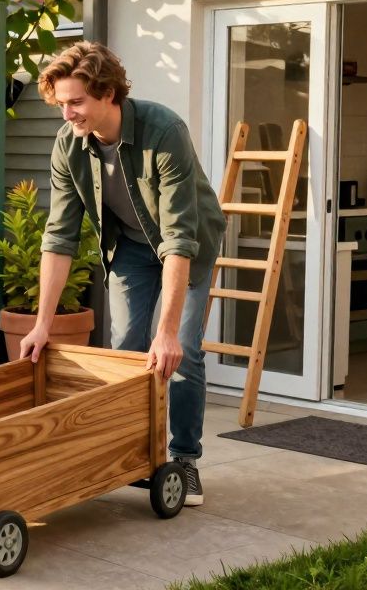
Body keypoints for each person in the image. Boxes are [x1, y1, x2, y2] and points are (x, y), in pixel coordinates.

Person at [18, 41, 225, 507]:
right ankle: (130, 452)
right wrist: (42, 324)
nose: (67, 114)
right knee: (126, 352)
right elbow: (59, 236)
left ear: (108, 93)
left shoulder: (164, 130)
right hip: (130, 245)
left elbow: (178, 238)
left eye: (76, 102)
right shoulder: (69, 143)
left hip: (187, 245)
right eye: (62, 103)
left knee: (182, 352)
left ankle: (184, 459)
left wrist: (167, 331)